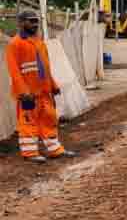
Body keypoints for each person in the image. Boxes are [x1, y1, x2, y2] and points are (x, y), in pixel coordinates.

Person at [5, 10, 77, 164]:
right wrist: (24, 92)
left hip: (44, 93)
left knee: (49, 120)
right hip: (28, 94)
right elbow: (14, 72)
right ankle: (30, 152)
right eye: (31, 21)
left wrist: (53, 85)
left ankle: (54, 150)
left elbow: (45, 67)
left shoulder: (39, 42)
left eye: (36, 21)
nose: (35, 24)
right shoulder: (15, 44)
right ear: (21, 23)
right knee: (28, 122)